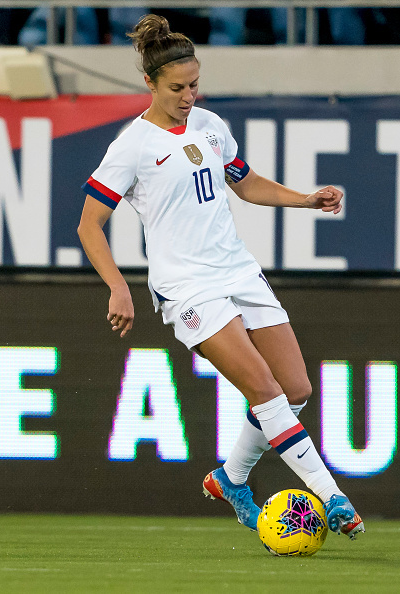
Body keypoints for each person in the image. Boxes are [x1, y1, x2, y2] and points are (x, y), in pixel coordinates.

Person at [77, 14, 365, 540]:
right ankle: (333, 497)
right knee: (265, 391)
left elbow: (246, 184)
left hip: (237, 270)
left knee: (295, 388)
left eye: (194, 85)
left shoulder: (211, 127)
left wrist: (305, 199)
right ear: (150, 83)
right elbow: (89, 224)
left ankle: (230, 479)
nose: (188, 96)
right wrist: (118, 285)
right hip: (187, 286)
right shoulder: (132, 146)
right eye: (177, 88)